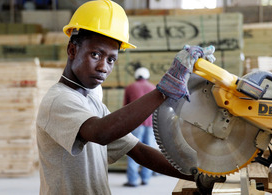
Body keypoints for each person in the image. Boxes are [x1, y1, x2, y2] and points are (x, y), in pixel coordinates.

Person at [36, 0, 221, 194]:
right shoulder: (58, 100)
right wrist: (164, 90)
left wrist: (199, 174)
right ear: (72, 50)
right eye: (96, 54)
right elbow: (101, 133)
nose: (103, 67)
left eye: (111, 59)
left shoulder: (91, 102)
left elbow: (138, 150)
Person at [123, 67, 156, 187]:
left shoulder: (130, 87)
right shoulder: (153, 87)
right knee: (149, 151)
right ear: (147, 76)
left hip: (135, 124)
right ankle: (146, 179)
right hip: (151, 124)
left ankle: (132, 180)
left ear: (136, 76)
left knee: (133, 150)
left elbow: (125, 108)